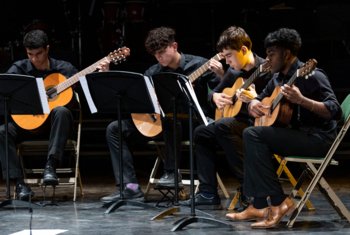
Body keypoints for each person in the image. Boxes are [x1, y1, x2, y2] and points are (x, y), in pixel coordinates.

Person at [226, 28, 342, 228]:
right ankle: (259, 204)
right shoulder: (278, 78)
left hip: (319, 139)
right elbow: (260, 99)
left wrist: (303, 100)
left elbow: (335, 111)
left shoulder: (312, 75)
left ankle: (279, 202)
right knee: (249, 134)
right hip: (297, 135)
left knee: (253, 134)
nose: (268, 59)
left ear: (286, 54)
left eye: (272, 54)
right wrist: (253, 104)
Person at [100, 26, 224, 204]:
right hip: (160, 123)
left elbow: (220, 91)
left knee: (172, 121)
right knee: (114, 128)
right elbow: (138, 99)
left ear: (174, 46)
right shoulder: (153, 73)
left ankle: (172, 172)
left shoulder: (199, 65)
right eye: (155, 54)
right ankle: (130, 188)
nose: (159, 57)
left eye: (162, 52)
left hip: (193, 123)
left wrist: (220, 74)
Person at [180, 26, 271, 210]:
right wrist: (214, 97)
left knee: (223, 126)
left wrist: (256, 98)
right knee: (201, 132)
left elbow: (273, 102)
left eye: (229, 55)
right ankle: (207, 193)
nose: (226, 61)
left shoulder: (265, 70)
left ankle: (250, 190)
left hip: (259, 125)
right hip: (235, 124)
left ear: (244, 50)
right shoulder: (233, 71)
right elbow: (213, 93)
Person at [0, 29, 78, 201]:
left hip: (54, 127)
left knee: (62, 111)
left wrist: (100, 72)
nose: (34, 59)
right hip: (27, 125)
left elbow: (87, 92)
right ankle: (20, 184)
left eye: (39, 54)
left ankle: (51, 166)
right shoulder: (18, 69)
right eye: (30, 54)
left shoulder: (64, 69)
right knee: (2, 131)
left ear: (47, 49)